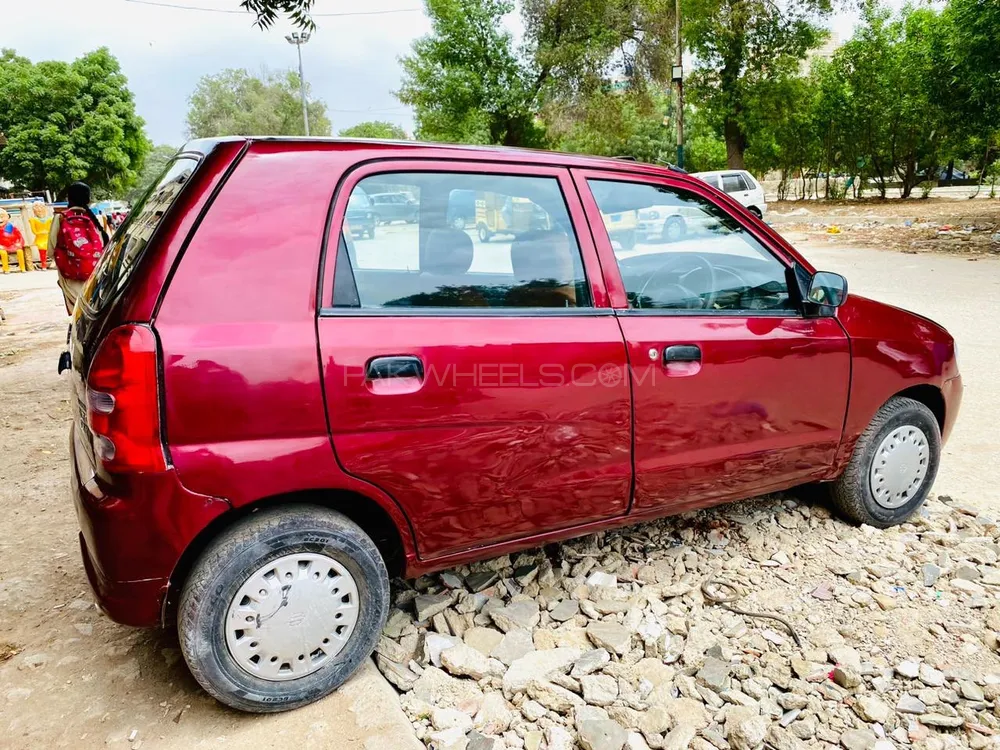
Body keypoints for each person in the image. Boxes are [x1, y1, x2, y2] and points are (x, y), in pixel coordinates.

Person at [51, 182, 109, 314]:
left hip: (68, 271)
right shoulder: (96, 218)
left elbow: (51, 249)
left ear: (68, 198)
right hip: (93, 270)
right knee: (92, 306)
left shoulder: (60, 218)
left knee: (78, 310)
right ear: (88, 199)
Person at [0, 208, 27, 273]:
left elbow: (20, 237)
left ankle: (22, 268)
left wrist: (19, 244)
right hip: (2, 246)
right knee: (3, 253)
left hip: (13, 245)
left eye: (2, 217)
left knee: (20, 251)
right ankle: (6, 269)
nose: (0, 220)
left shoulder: (12, 227)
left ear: (7, 217)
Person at [28, 201, 52, 269]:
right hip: (40, 239)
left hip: (49, 238)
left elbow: (51, 229)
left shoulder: (50, 219)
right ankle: (44, 265)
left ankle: (55, 263)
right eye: (37, 208)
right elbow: (34, 231)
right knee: (42, 253)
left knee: (54, 252)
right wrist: (41, 233)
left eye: (41, 207)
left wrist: (48, 232)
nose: (39, 209)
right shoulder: (33, 220)